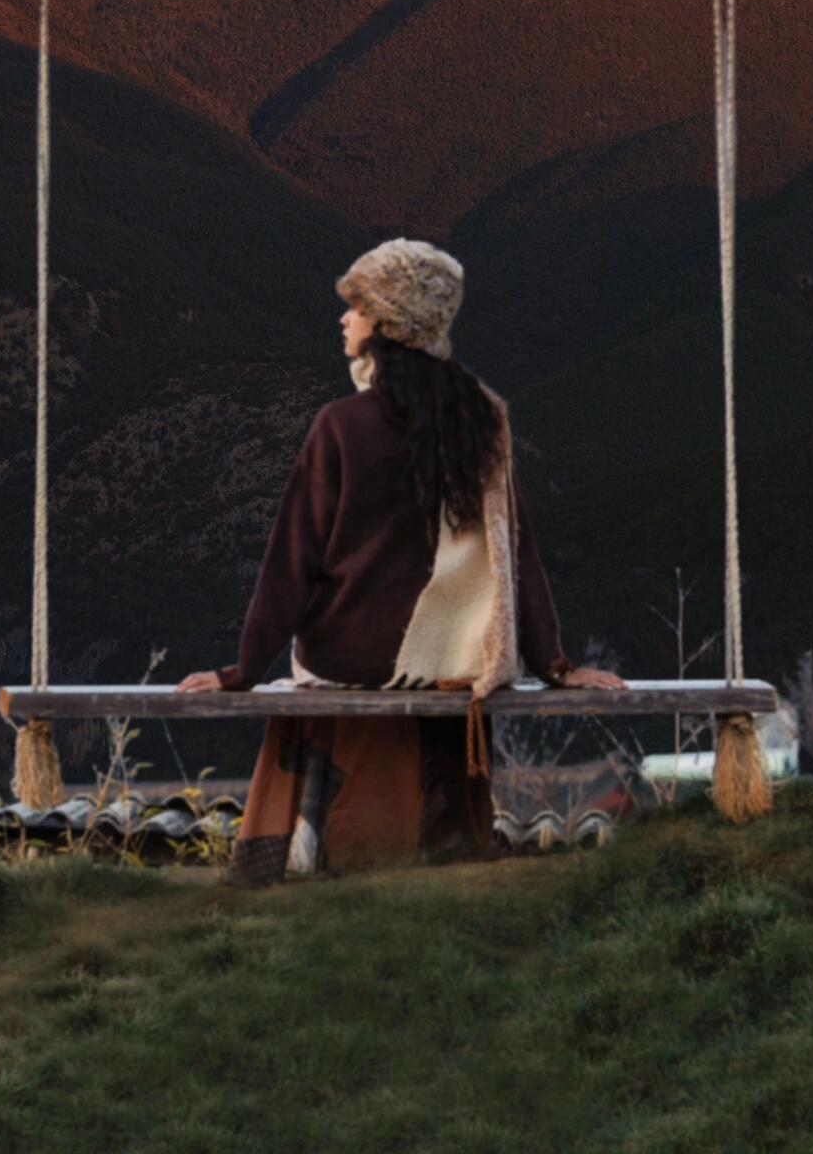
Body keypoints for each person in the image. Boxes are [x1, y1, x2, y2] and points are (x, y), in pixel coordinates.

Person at [181, 237, 621, 883]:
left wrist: (242, 669)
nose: (342, 319)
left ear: (387, 322)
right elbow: (514, 552)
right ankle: (439, 851)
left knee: (315, 673)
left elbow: (291, 562)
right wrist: (555, 664)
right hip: (454, 663)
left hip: (350, 659)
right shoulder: (484, 422)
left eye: (354, 306)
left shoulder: (340, 425)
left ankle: (315, 856)